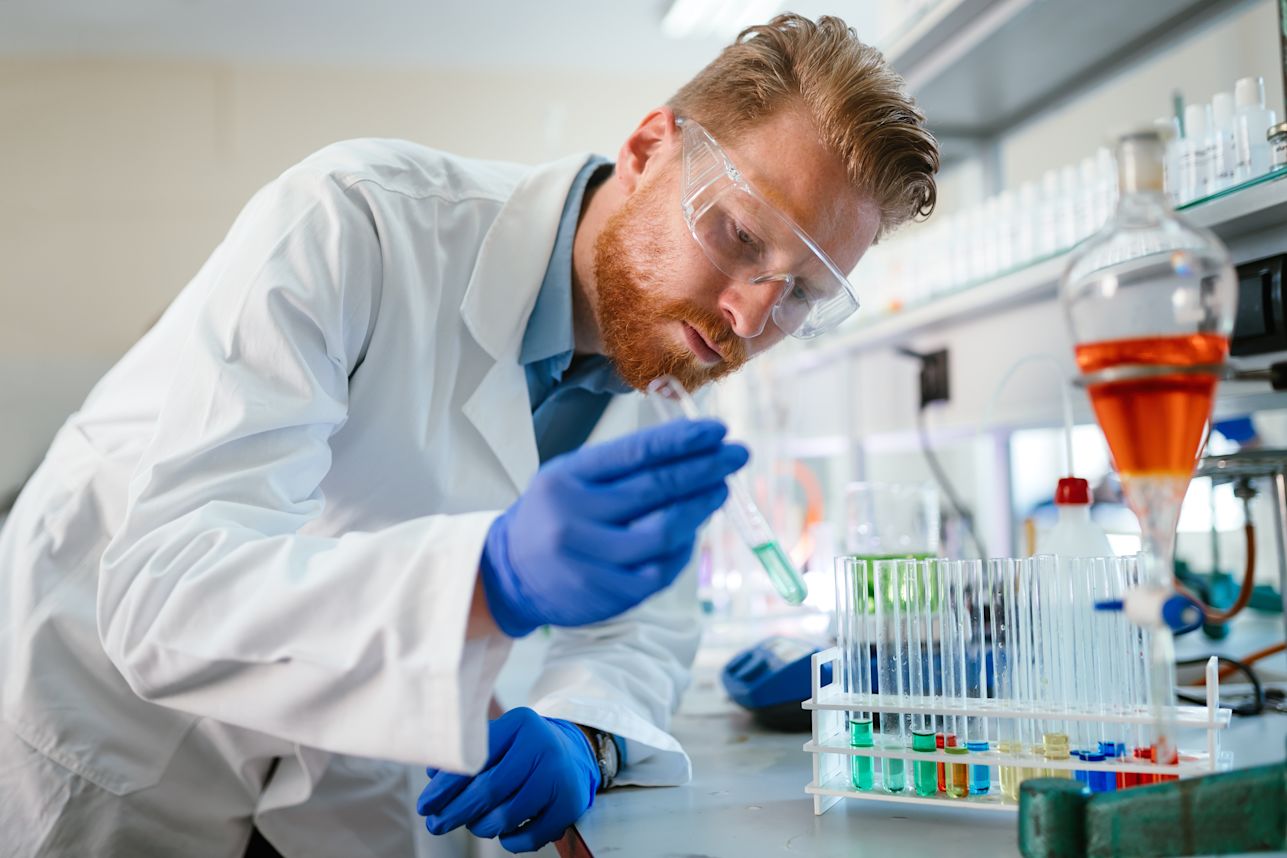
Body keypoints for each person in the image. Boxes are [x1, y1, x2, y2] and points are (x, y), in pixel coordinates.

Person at [0, 12, 937, 858]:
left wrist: (583, 730)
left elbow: (640, 634)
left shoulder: (677, 373)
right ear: (651, 146)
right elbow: (164, 591)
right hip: (109, 740)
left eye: (804, 294)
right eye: (738, 233)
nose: (747, 316)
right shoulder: (357, 221)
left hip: (352, 785)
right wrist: (489, 577)